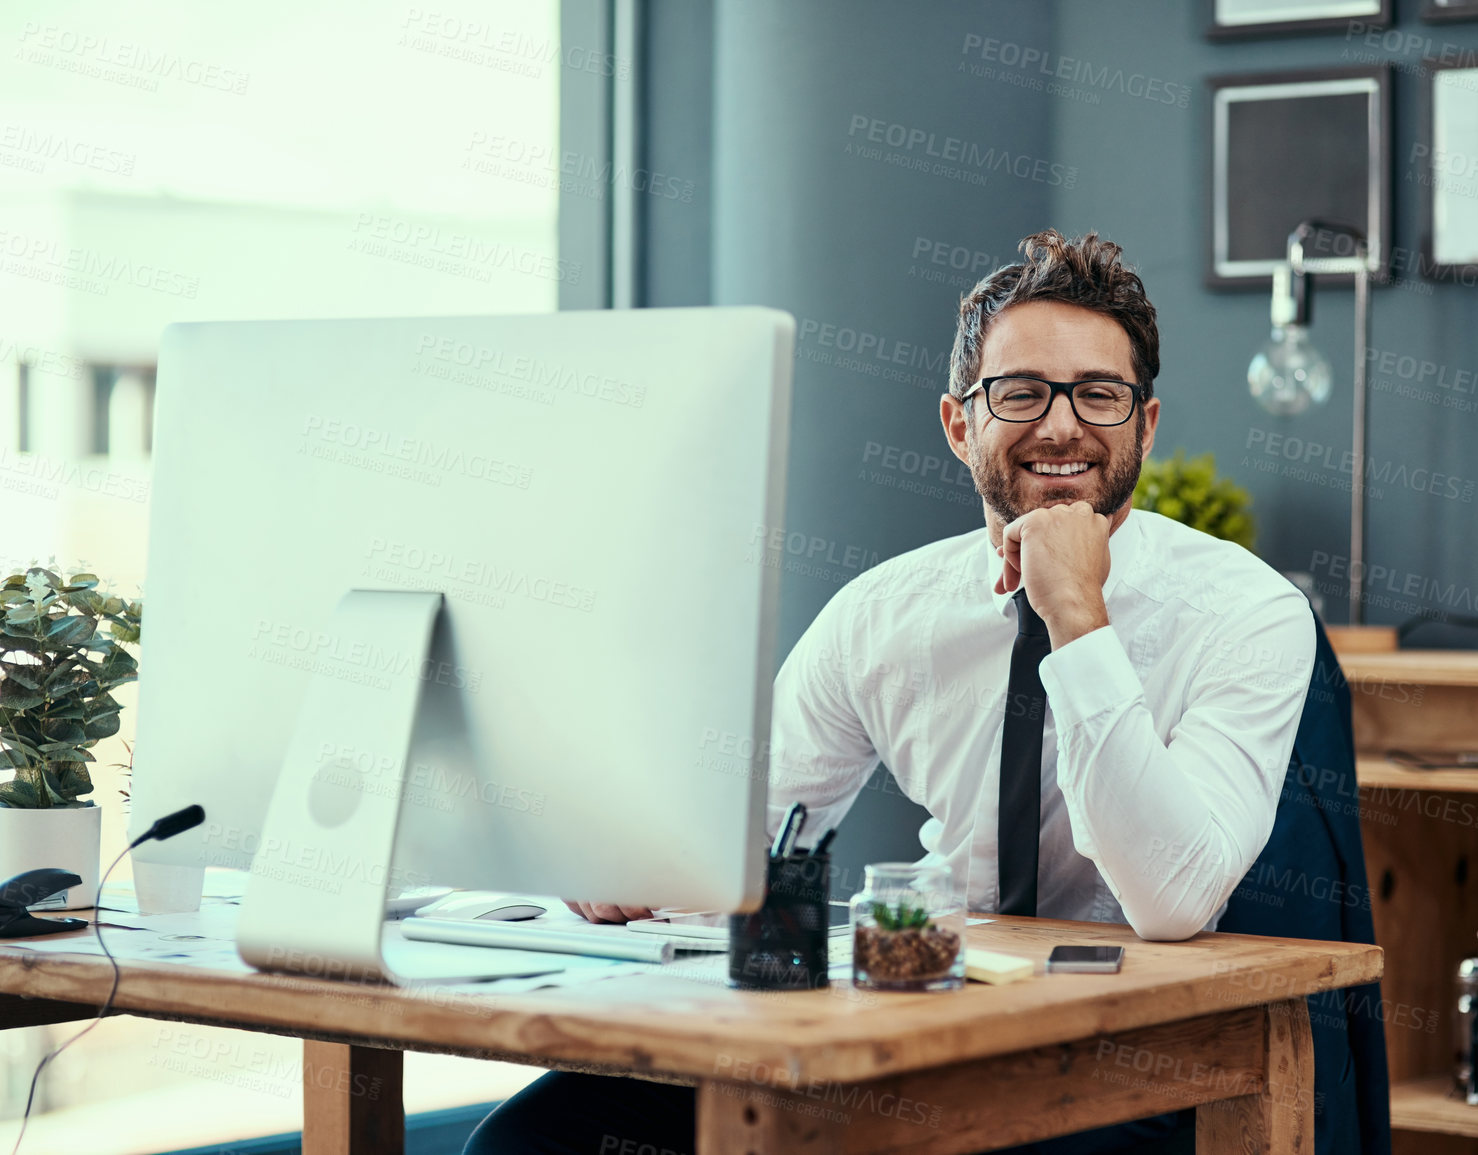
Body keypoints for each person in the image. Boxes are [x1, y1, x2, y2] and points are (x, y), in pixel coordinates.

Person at [466, 230, 1316, 1155]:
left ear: (1143, 426)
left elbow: (1172, 898)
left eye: (1098, 395)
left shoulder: (1247, 610)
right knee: (534, 1140)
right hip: (923, 1019)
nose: (1061, 425)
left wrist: (1074, 610)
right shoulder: (882, 614)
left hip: (1136, 1055)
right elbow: (742, 836)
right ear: (959, 426)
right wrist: (643, 856)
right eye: (1020, 392)